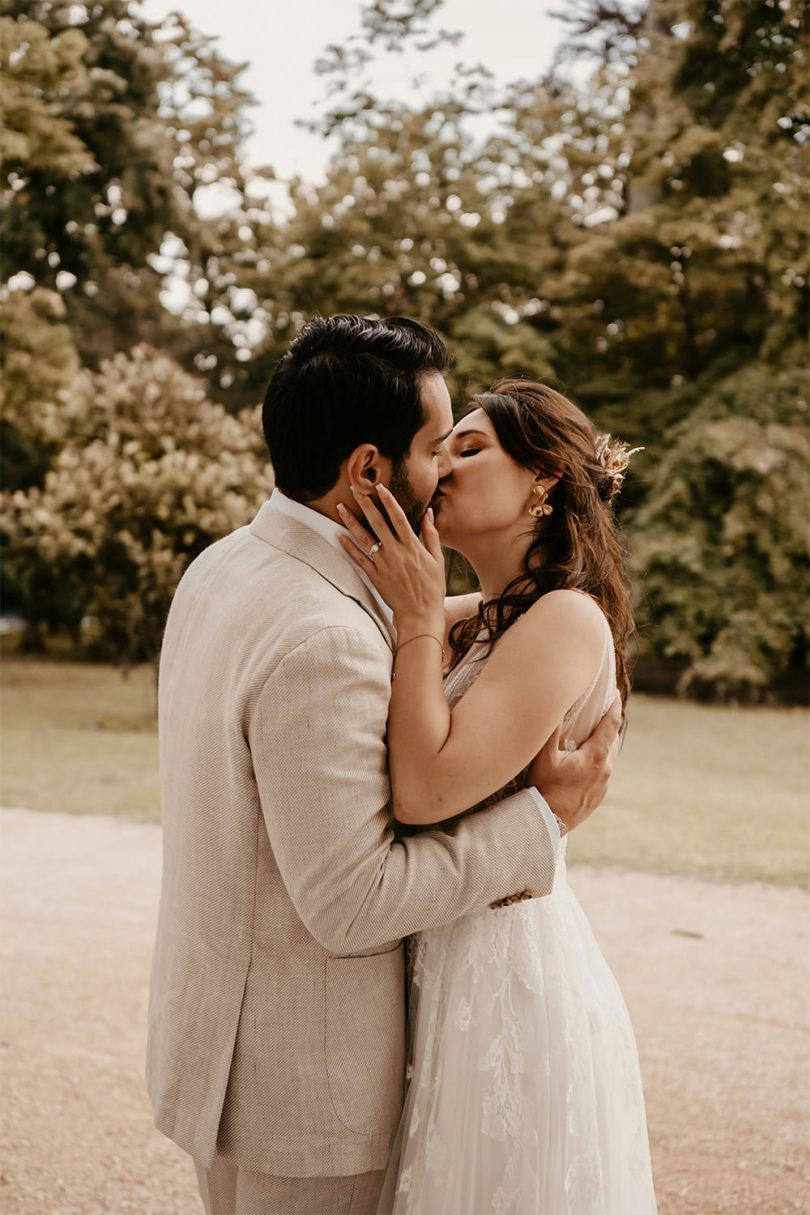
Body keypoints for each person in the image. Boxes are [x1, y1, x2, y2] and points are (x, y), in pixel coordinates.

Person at [145, 316, 621, 1215]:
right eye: (440, 446)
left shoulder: (222, 568)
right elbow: (354, 899)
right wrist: (542, 823)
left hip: (229, 1048)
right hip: (304, 1084)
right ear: (369, 469)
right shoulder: (327, 632)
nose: (445, 469)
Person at [339, 378, 657, 1214]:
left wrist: (415, 620)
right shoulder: (481, 614)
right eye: (440, 446)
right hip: (443, 951)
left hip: (508, 979)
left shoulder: (566, 618)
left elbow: (423, 788)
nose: (441, 463)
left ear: (545, 478)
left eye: (469, 447)